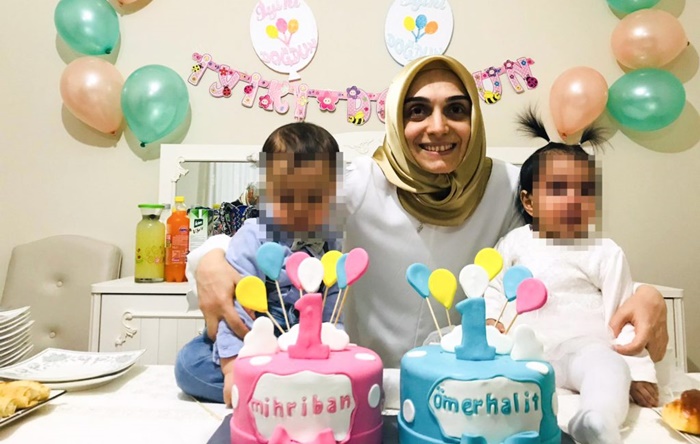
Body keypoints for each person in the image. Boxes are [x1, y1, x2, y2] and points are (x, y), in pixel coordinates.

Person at [176, 55, 668, 401]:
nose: (437, 126)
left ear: (474, 118)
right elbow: (270, 225)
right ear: (396, 119)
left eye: (455, 109)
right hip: (352, 384)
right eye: (417, 110)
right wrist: (210, 259)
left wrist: (645, 292)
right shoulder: (356, 183)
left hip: (458, 390)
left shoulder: (505, 186)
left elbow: (567, 253)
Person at [484, 111, 657, 443]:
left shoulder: (603, 250)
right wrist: (493, 323)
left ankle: (597, 419)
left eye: (584, 190)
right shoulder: (514, 243)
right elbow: (496, 288)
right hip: (523, 352)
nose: (573, 199)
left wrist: (637, 371)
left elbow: (625, 312)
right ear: (528, 201)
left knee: (608, 369)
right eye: (558, 188)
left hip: (583, 349)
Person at [176, 122, 342, 403]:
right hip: (251, 336)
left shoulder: (330, 241)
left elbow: (333, 308)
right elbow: (236, 306)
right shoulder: (253, 235)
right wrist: (232, 369)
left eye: (314, 197)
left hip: (303, 344)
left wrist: (334, 352)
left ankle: (287, 387)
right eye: (286, 196)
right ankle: (280, 387)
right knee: (189, 365)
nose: (300, 208)